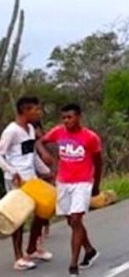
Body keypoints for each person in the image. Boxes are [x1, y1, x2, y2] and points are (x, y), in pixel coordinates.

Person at [42, 104, 102, 276]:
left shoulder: (90, 137)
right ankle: (89, 249)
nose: (67, 121)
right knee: (71, 221)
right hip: (63, 182)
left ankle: (73, 264)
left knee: (76, 219)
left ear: (78, 117)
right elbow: (41, 141)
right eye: (64, 118)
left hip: (82, 182)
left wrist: (96, 184)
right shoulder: (58, 132)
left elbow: (98, 162)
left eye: (70, 117)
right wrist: (45, 155)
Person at [0, 96, 53, 271]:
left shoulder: (30, 129)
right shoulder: (11, 131)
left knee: (42, 212)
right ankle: (18, 257)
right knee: (19, 218)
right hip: (17, 181)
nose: (39, 113)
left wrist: (45, 171)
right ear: (24, 111)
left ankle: (33, 248)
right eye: (35, 110)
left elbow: (32, 155)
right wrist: (11, 171)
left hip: (31, 178)